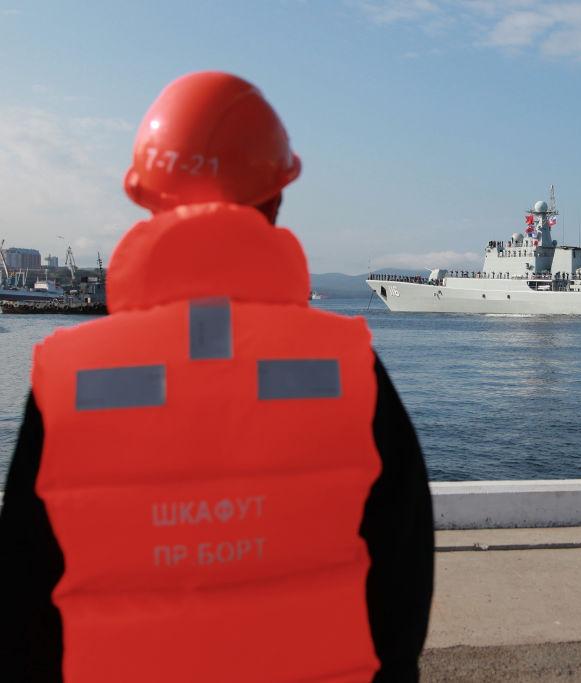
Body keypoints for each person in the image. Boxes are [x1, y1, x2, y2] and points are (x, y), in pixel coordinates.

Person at [0, 71, 433, 682]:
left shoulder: (67, 378)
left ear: (142, 194)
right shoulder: (349, 370)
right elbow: (402, 592)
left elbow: (20, 606)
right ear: (276, 197)